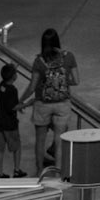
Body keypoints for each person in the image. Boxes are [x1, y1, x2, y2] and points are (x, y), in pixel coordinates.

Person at [18, 26, 78, 170]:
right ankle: (58, 169)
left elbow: (32, 87)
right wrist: (61, 81)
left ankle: (39, 170)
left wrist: (21, 101)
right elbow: (76, 80)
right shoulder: (68, 56)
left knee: (40, 139)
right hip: (62, 103)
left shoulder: (39, 61)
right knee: (59, 139)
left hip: (42, 103)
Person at [0, 62, 22, 177]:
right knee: (16, 147)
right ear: (14, 77)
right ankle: (17, 170)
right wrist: (27, 104)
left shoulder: (2, 85)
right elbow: (13, 107)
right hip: (10, 125)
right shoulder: (12, 90)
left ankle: (0, 173)